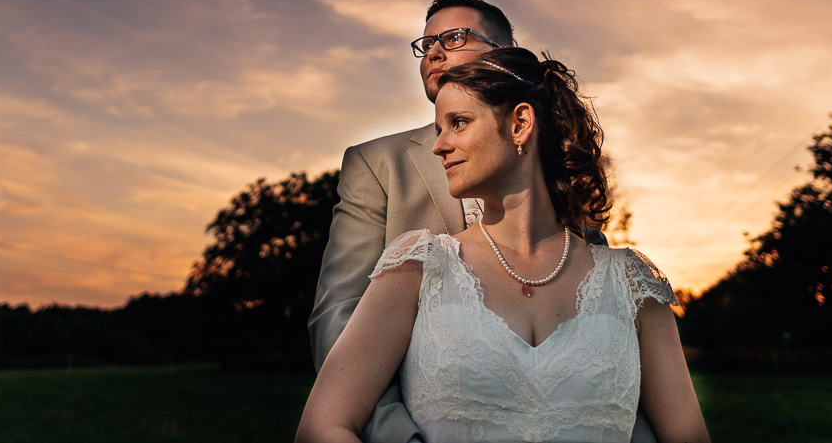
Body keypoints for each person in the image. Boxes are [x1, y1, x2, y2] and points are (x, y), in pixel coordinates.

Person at [297, 47, 709, 443]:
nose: (439, 145)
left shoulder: (632, 284)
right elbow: (322, 428)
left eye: (458, 122)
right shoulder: (419, 267)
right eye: (439, 129)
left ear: (519, 124)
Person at [308, 0, 517, 439]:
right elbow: (340, 312)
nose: (433, 52)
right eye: (426, 45)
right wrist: (396, 434)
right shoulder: (376, 162)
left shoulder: (559, 165)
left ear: (505, 55)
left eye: (454, 37)